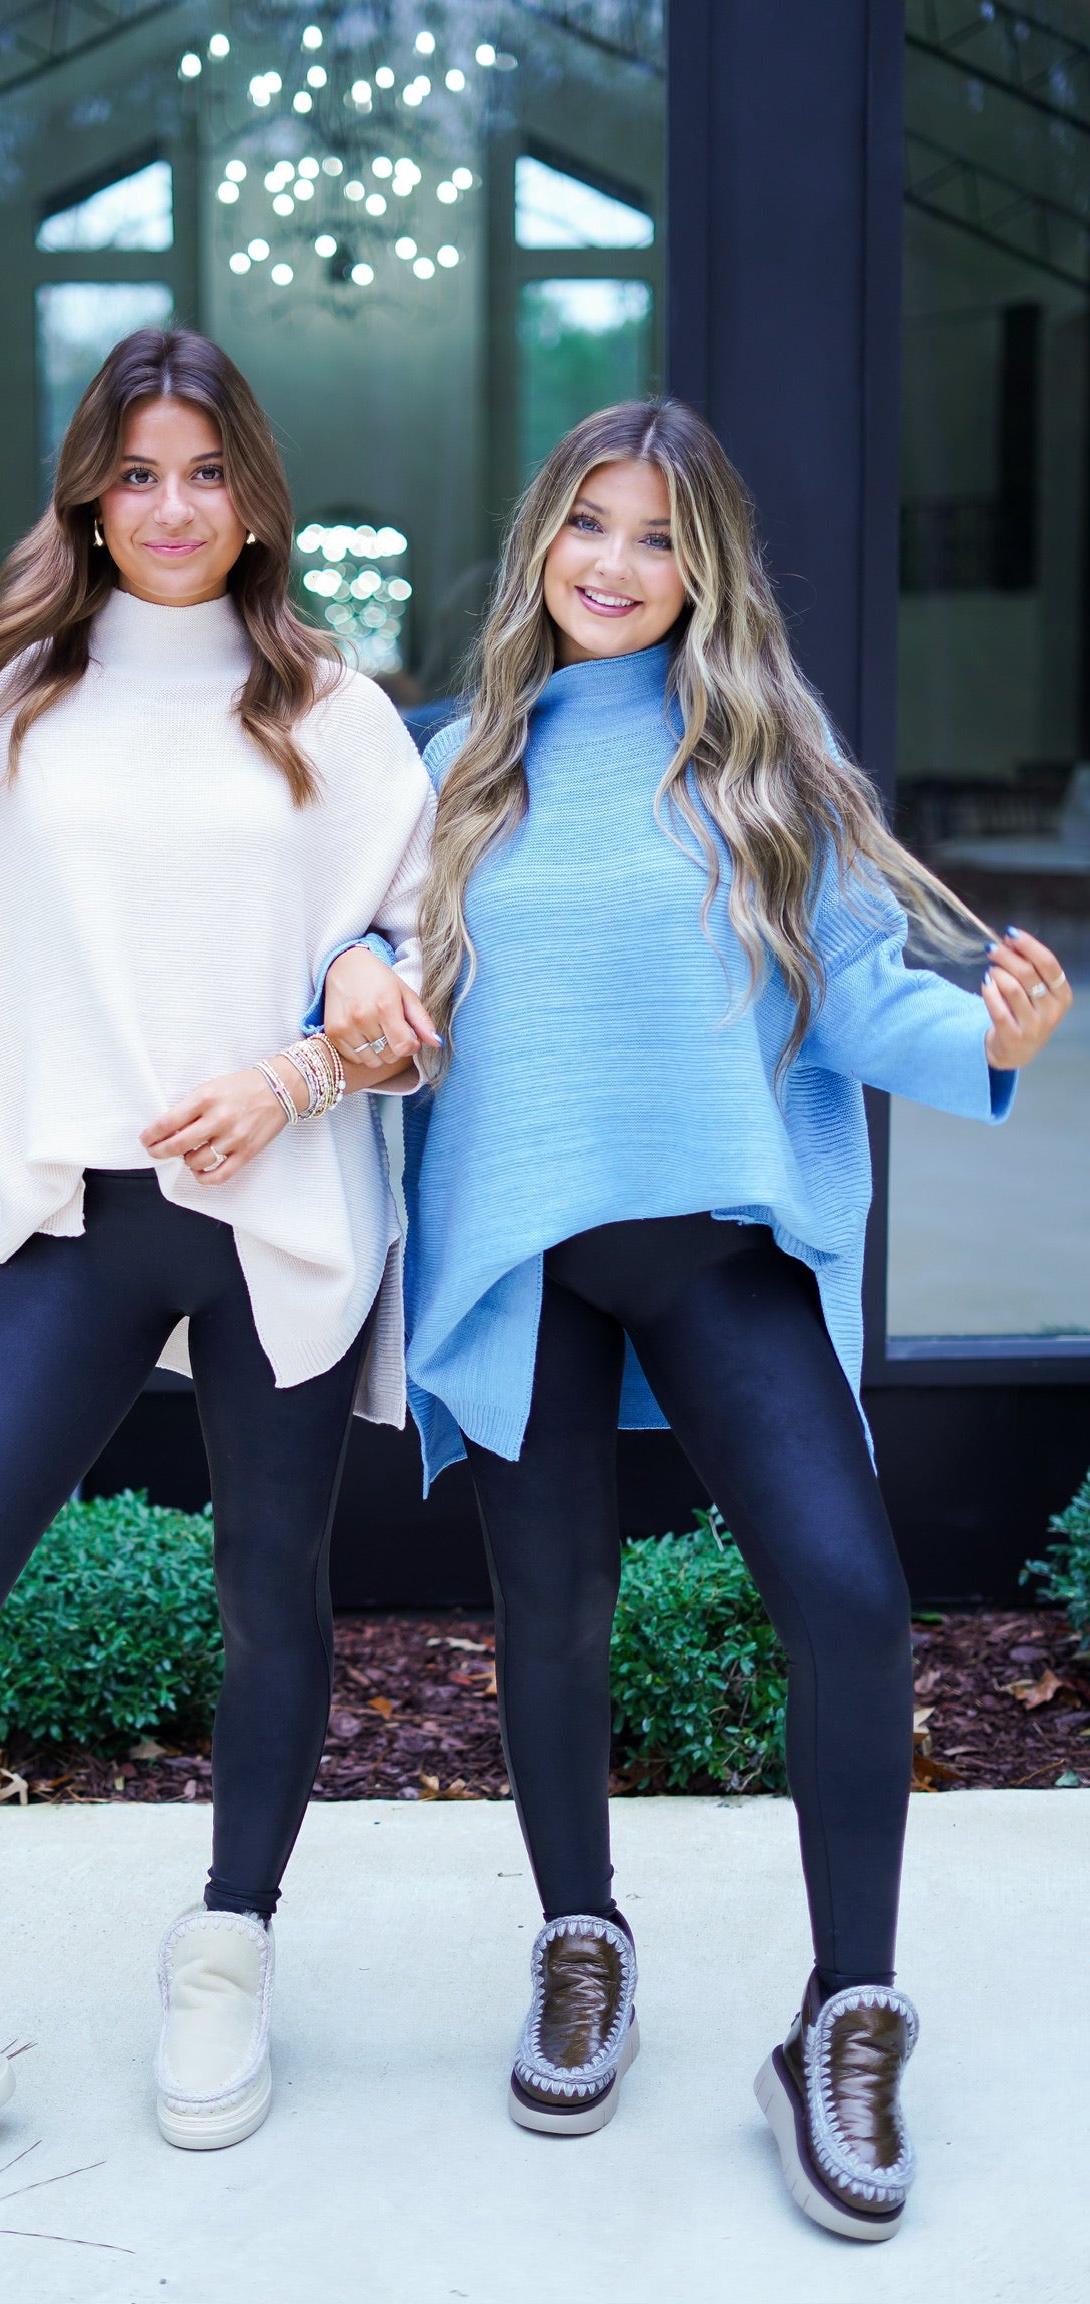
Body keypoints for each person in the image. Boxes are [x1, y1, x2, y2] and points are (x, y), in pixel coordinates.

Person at [0, 329, 437, 2213]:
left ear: (255, 497)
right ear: (88, 494)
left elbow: (408, 968)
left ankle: (228, 1948)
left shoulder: (334, 711)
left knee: (271, 1593)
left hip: (279, 1217)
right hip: (76, 1215)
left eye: (205, 472)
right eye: (137, 473)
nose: (172, 507)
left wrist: (303, 1059)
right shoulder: (19, 700)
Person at [379, 397, 1070, 2241]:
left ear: (709, 573)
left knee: (850, 1599)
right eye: (589, 524)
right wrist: (348, 1002)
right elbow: (364, 965)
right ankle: (581, 1941)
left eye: (659, 538)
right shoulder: (449, 764)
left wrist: (988, 1036)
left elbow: (857, 995)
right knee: (551, 1613)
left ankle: (846, 2016)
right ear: (542, 537)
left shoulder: (765, 756)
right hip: (525, 1255)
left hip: (714, 1241)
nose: (614, 564)